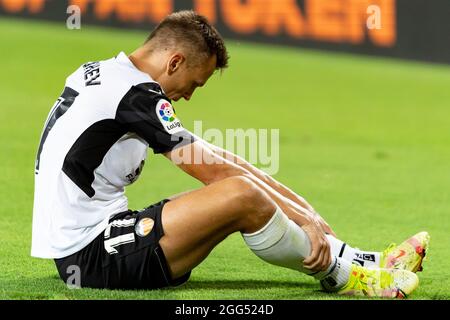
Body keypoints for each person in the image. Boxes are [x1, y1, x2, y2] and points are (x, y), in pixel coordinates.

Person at [31, 10, 429, 298]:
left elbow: (219, 158)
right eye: (195, 83)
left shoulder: (107, 75)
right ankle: (345, 276)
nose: (188, 94)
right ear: (174, 61)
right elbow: (218, 175)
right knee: (240, 196)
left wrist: (307, 213)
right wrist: (302, 219)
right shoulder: (135, 95)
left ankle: (361, 257)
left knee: (239, 185)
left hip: (96, 242)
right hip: (89, 257)